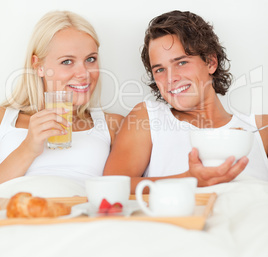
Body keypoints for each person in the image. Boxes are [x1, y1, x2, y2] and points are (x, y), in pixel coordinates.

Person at [103, 10, 268, 193]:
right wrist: (189, 180)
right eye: (159, 70)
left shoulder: (261, 129)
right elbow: (111, 187)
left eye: (181, 62)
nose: (170, 78)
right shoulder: (149, 118)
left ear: (211, 62)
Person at [0, 10, 123, 186]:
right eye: (67, 61)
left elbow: (121, 192)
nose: (84, 73)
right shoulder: (4, 119)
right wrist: (28, 147)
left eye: (90, 59)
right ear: (38, 65)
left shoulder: (113, 125)